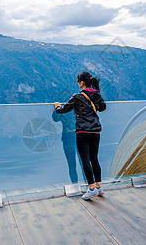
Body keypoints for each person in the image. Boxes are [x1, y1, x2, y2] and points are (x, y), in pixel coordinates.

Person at [54, 71, 106, 200]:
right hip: (95, 131)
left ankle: (91, 188)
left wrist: (57, 107)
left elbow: (63, 110)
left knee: (85, 161)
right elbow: (102, 107)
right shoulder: (96, 94)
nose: (77, 83)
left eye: (78, 81)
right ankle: (99, 187)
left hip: (83, 132)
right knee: (94, 159)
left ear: (82, 82)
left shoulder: (77, 97)